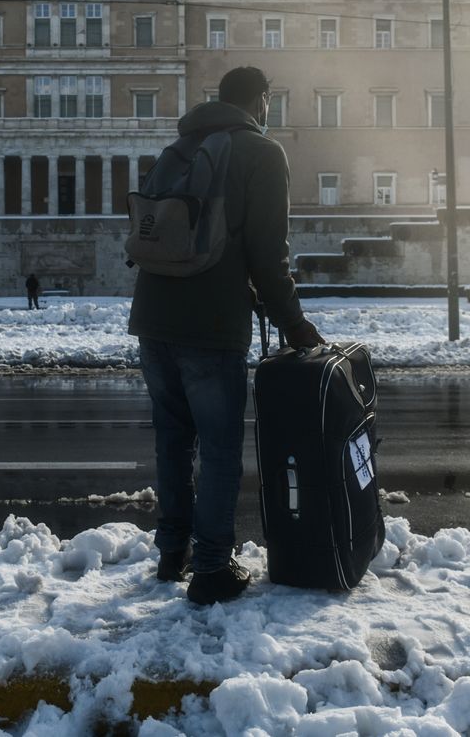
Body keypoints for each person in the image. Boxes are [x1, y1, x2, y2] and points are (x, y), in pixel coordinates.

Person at [128, 66, 324, 606]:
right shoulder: (261, 153)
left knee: (172, 441)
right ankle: (211, 567)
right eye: (269, 103)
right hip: (210, 326)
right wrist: (294, 323)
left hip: (152, 316)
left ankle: (173, 552)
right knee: (217, 450)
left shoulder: (180, 147)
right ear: (260, 102)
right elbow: (268, 253)